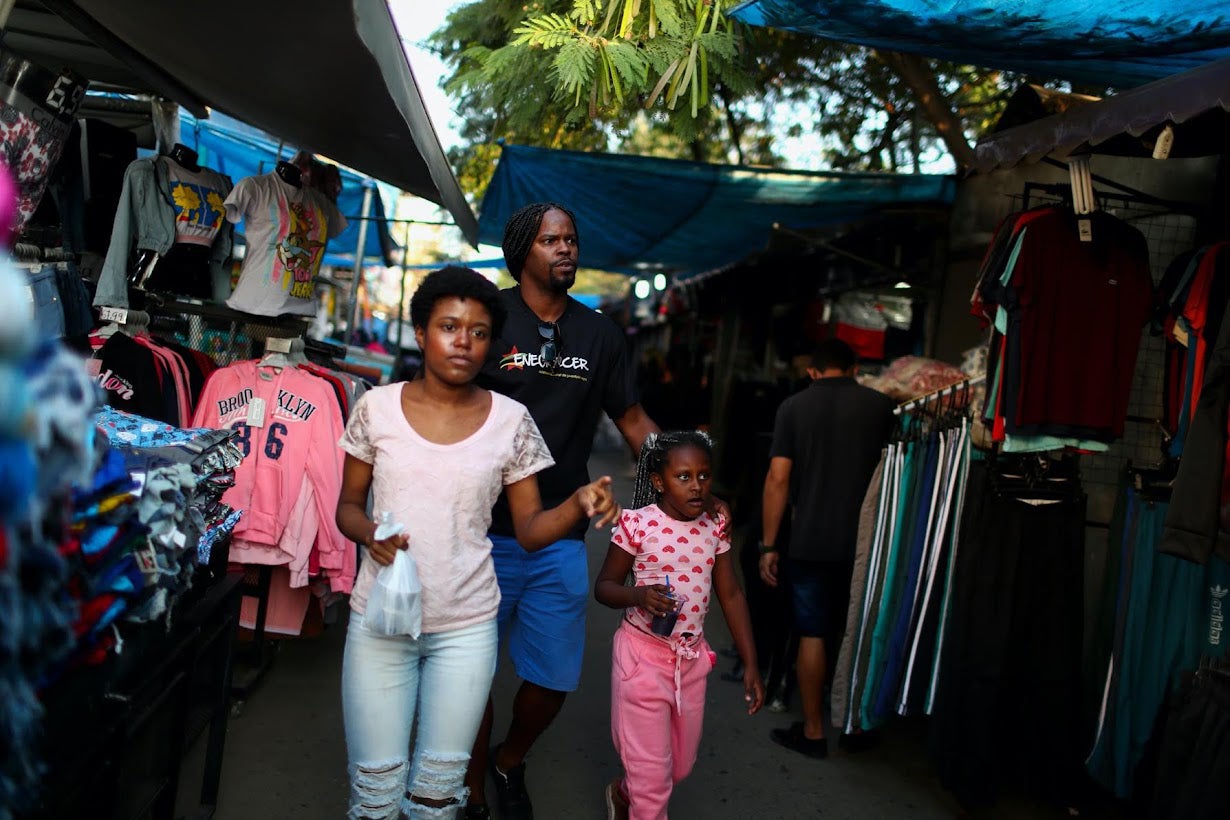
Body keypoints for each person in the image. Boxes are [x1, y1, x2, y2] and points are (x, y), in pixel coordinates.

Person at [334, 266, 621, 819]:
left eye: (480, 331)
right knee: (374, 795)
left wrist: (580, 503)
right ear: (421, 333)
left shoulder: (511, 421)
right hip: (380, 623)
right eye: (448, 326)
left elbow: (532, 530)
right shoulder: (376, 408)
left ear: (491, 344)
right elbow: (347, 506)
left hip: (465, 629)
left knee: (438, 797)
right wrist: (369, 533)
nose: (463, 341)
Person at [464, 202, 663, 820]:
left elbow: (631, 420)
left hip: (561, 533)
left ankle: (508, 760)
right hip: (477, 531)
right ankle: (470, 782)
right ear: (523, 249)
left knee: (552, 677)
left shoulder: (600, 334)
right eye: (551, 240)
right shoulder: (486, 319)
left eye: (571, 239)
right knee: (468, 673)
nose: (565, 249)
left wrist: (682, 480)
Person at [595, 431, 764, 819]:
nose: (696, 486)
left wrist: (751, 662)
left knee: (678, 768)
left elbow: (732, 595)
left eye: (704, 476)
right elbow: (604, 587)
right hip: (641, 660)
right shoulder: (637, 525)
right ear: (659, 482)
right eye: (683, 476)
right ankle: (640, 799)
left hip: (690, 663)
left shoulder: (714, 528)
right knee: (654, 787)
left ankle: (625, 794)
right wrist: (639, 596)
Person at [758, 338, 895, 758]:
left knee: (813, 633)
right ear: (854, 367)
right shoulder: (880, 407)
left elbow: (778, 479)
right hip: (868, 542)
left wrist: (768, 544)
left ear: (813, 371)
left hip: (810, 541)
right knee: (860, 631)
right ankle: (856, 727)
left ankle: (814, 731)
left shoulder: (794, 407)